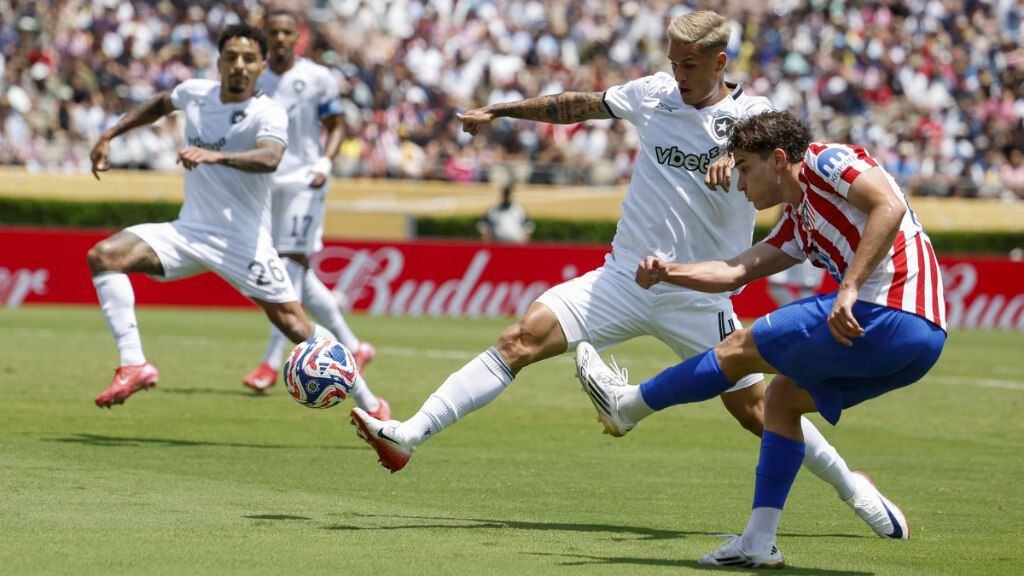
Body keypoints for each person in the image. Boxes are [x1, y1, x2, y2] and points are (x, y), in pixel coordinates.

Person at [349, 11, 898, 540]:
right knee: (519, 339)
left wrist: (734, 156)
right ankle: (409, 435)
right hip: (623, 278)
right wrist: (501, 110)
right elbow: (577, 106)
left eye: (689, 65)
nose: (678, 75)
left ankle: (855, 489)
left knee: (758, 413)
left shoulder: (753, 114)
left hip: (698, 297)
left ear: (719, 61)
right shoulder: (653, 93)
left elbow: (774, 159)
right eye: (673, 62)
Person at [581, 110, 945, 568]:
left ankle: (629, 406)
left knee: (738, 350)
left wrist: (848, 287)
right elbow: (735, 271)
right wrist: (668, 272)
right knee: (782, 401)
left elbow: (888, 204)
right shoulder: (798, 222)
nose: (738, 184)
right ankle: (759, 541)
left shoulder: (825, 161)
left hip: (891, 311)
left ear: (777, 160)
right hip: (920, 342)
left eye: (744, 169)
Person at [87, 24, 335, 408]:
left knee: (294, 325)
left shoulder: (267, 112)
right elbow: (160, 103)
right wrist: (110, 135)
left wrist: (216, 156)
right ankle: (134, 364)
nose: (239, 65)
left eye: (249, 59)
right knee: (104, 257)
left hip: (243, 241)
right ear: (218, 62)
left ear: (261, 65)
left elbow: (270, 157)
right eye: (231, 57)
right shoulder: (196, 94)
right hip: (189, 231)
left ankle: (371, 403)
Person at [240, 9, 388, 419]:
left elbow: (337, 123)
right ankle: (352, 345)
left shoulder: (319, 77)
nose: (281, 39)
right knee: (292, 276)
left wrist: (325, 161)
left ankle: (271, 362)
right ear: (264, 38)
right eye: (274, 33)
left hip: (306, 181)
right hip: (267, 183)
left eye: (288, 32)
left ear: (298, 36)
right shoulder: (252, 78)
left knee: (287, 270)